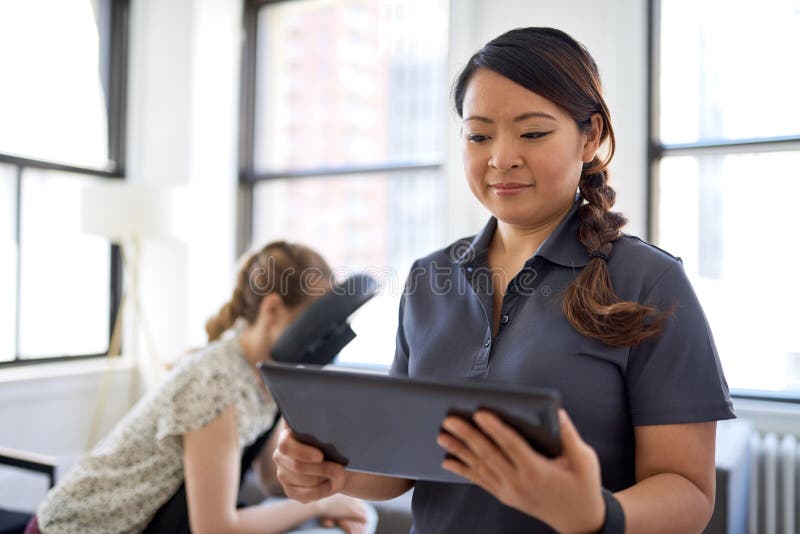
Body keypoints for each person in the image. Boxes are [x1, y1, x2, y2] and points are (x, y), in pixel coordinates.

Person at [272, 27, 735, 533]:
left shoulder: (650, 281)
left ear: (591, 136)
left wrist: (595, 515)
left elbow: (689, 493)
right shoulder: (429, 278)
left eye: (532, 133)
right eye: (479, 135)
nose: (500, 158)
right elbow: (400, 467)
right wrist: (330, 472)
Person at [29, 241, 375, 534]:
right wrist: (322, 505)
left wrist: (322, 499)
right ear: (272, 309)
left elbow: (272, 479)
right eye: (313, 325)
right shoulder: (216, 382)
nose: (320, 340)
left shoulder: (264, 376)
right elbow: (215, 528)